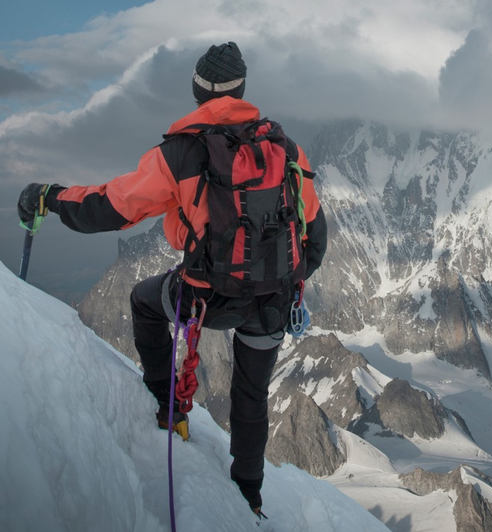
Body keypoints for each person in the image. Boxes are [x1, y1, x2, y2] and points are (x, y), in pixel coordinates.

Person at [16, 42, 327, 516]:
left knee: (145, 302)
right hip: (272, 302)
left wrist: (51, 198)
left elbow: (110, 207)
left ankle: (167, 406)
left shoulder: (181, 154)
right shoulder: (285, 150)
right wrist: (284, 283)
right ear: (242, 90)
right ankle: (249, 496)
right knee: (251, 394)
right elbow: (315, 235)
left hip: (207, 299)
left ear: (198, 91)